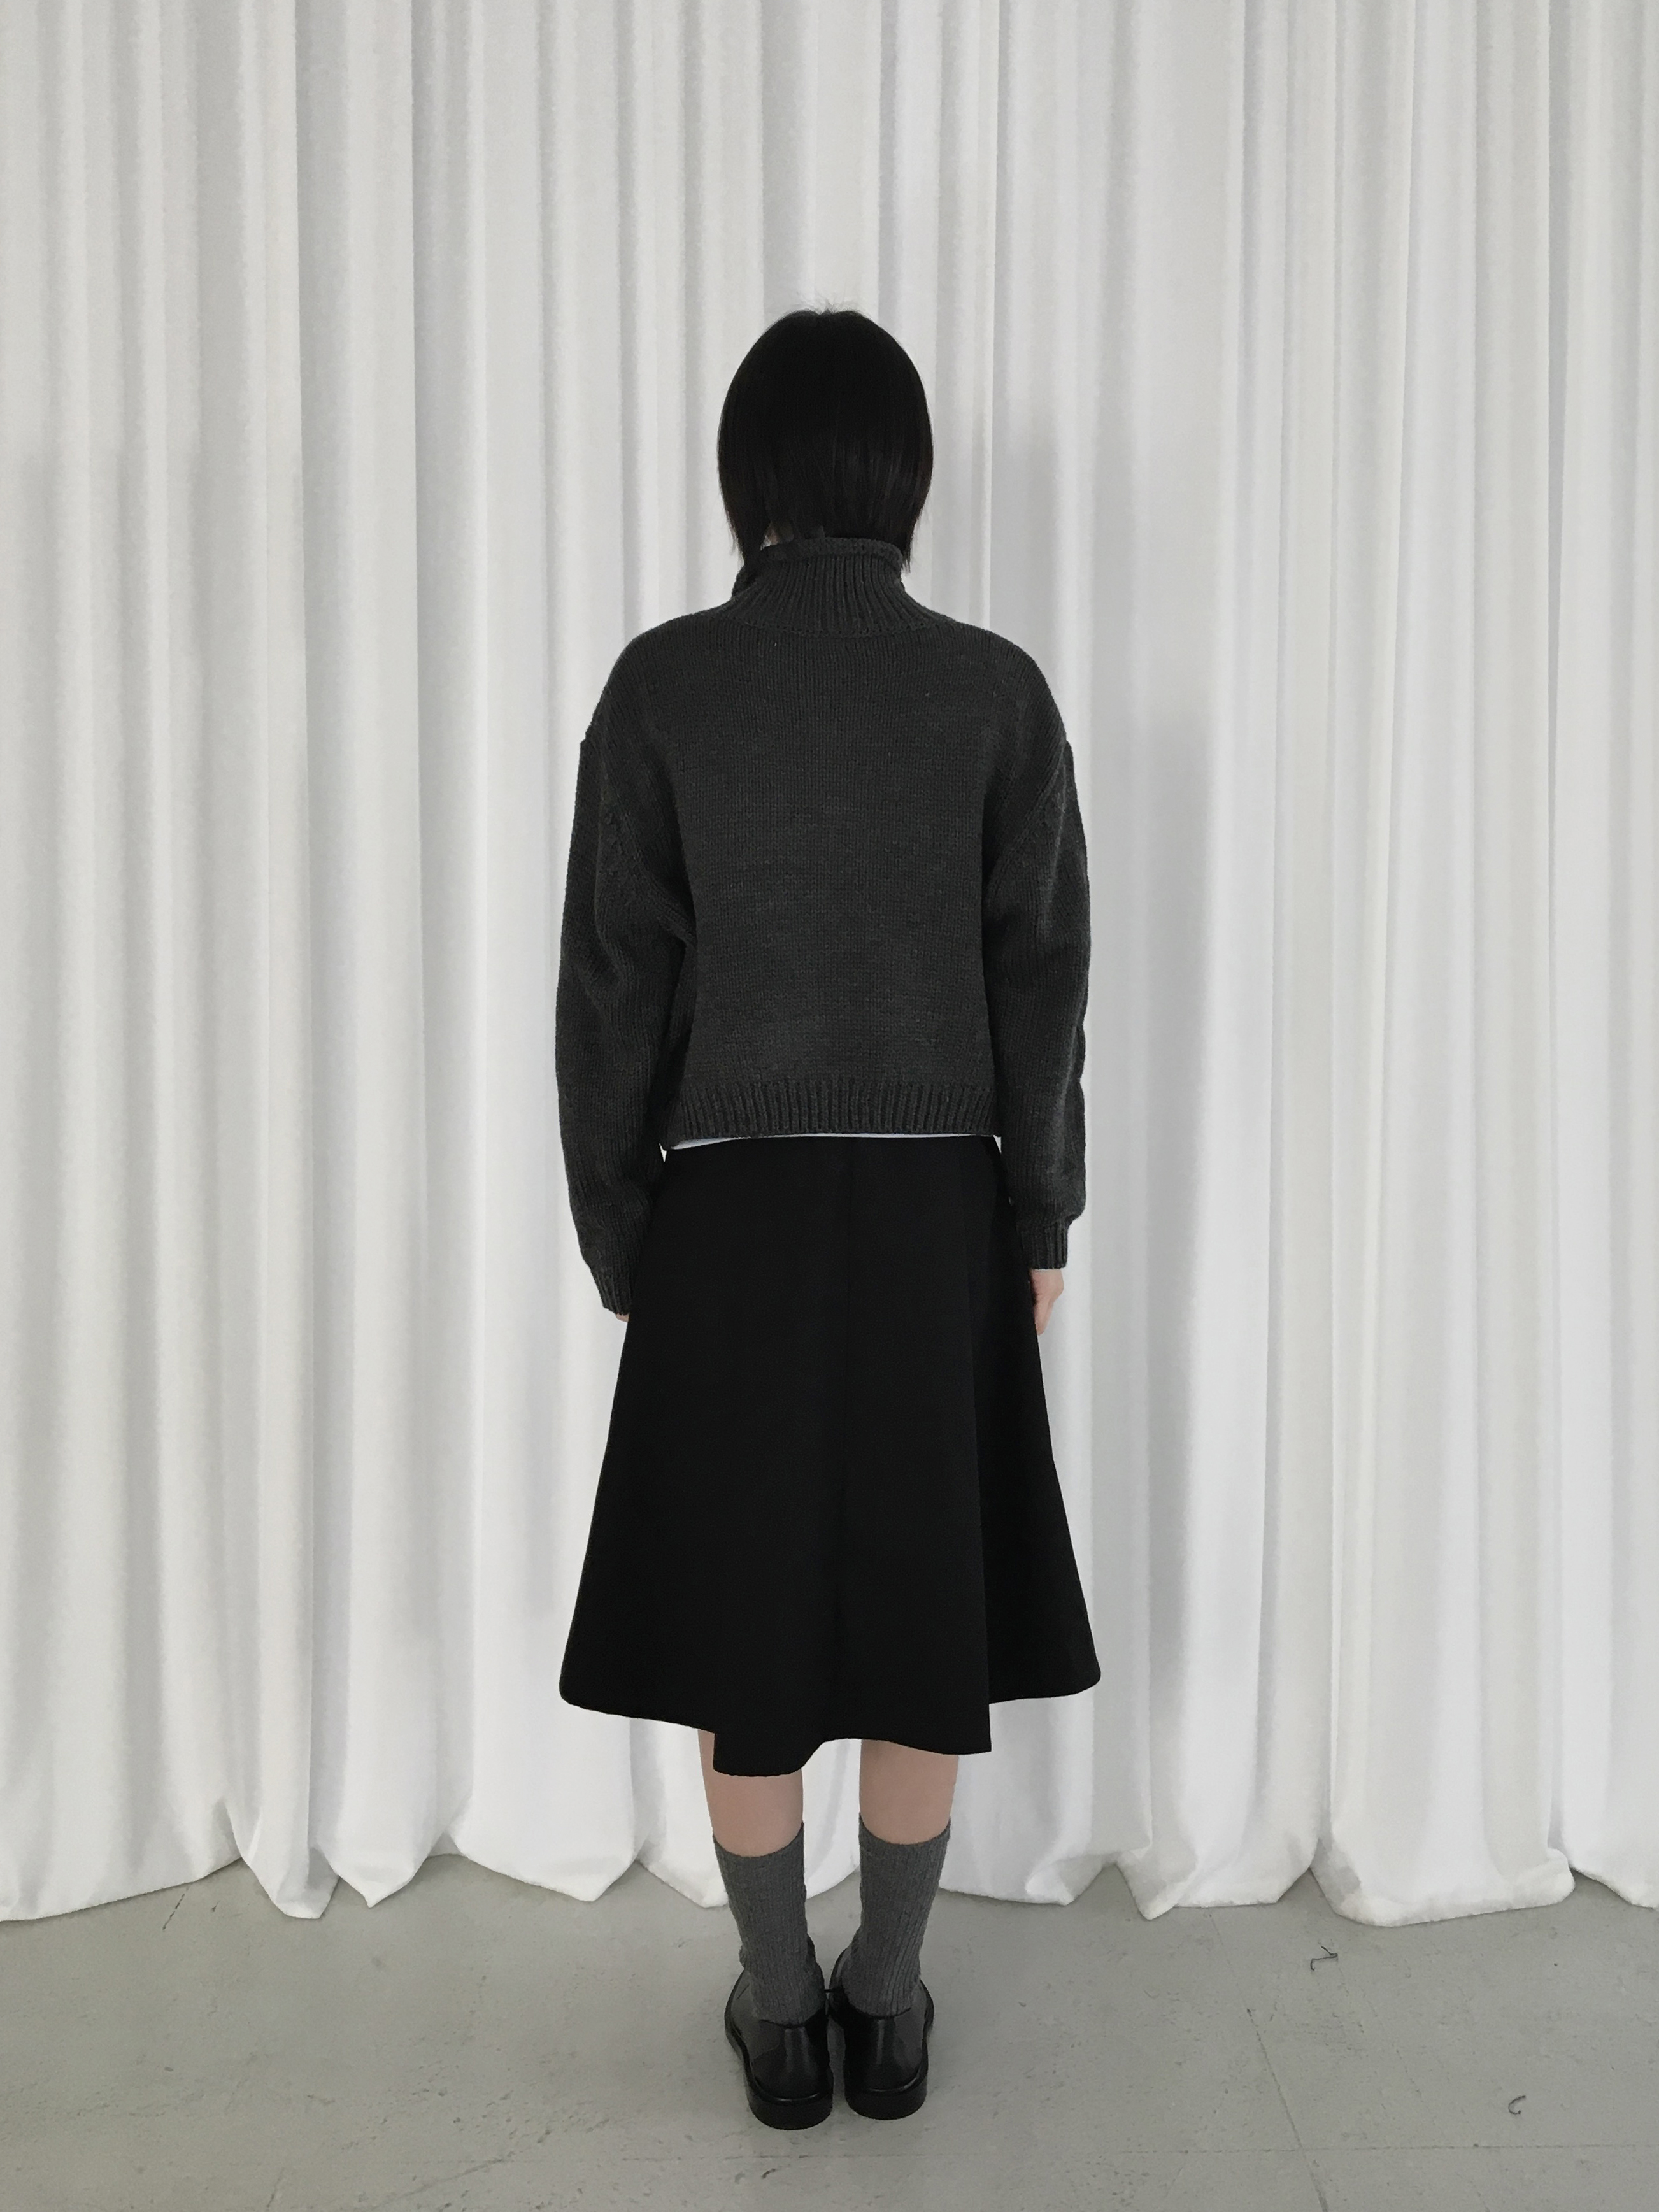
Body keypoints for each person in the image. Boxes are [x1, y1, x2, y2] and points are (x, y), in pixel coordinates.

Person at [553, 306, 1099, 2130]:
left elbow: (612, 991)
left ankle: (781, 2007)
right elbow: (1042, 984)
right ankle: (894, 1993)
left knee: (752, 1631)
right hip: (939, 1212)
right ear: (904, 476)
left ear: (750, 476)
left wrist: (626, 1234)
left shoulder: (664, 687)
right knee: (922, 1630)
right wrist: (1040, 1215)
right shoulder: (994, 692)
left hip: (732, 1223)